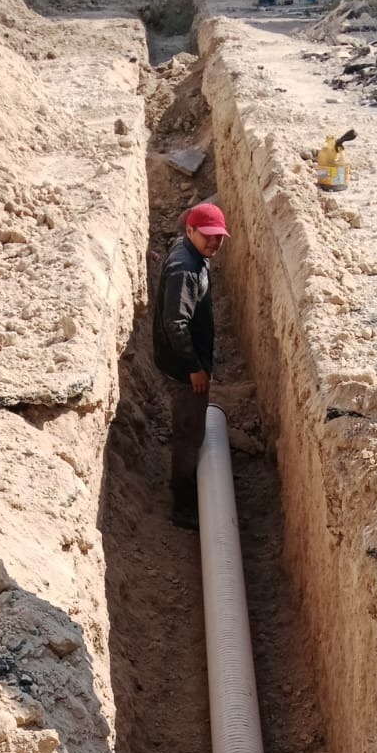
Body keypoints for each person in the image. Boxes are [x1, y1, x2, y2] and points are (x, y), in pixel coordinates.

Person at [151, 202, 228, 531]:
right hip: (184, 369)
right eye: (208, 236)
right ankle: (183, 506)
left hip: (185, 362)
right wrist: (194, 368)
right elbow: (176, 323)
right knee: (188, 433)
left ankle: (188, 489)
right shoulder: (185, 269)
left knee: (190, 427)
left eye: (219, 237)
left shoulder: (192, 255)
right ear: (190, 232)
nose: (214, 242)